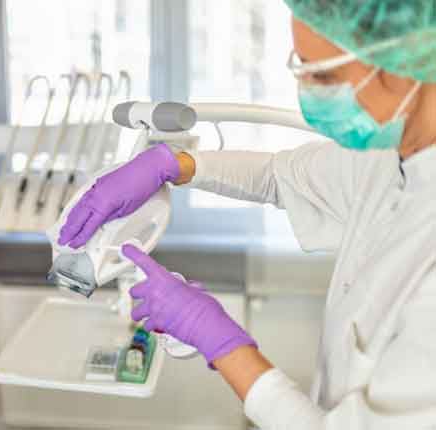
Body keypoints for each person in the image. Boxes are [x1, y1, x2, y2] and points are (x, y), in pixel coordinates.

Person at [57, 1, 436, 428]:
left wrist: (216, 338)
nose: (308, 92)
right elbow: (279, 176)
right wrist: (172, 165)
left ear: (406, 63)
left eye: (325, 75)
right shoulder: (390, 155)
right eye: (302, 68)